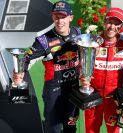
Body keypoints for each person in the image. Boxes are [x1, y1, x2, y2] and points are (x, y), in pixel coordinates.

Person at [13, 1, 81, 133]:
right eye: (56, 17)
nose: (59, 21)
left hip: (73, 90)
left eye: (63, 17)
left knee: (71, 127)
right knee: (53, 129)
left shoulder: (77, 32)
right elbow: (26, 59)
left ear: (70, 18)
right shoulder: (43, 40)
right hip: (53, 92)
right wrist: (19, 73)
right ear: (52, 17)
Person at [80, 7, 123, 133]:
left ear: (121, 26)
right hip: (93, 97)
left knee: (114, 131)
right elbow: (82, 66)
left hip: (115, 99)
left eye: (116, 23)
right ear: (104, 22)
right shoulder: (92, 42)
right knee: (90, 131)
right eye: (110, 22)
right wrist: (83, 78)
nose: (112, 26)